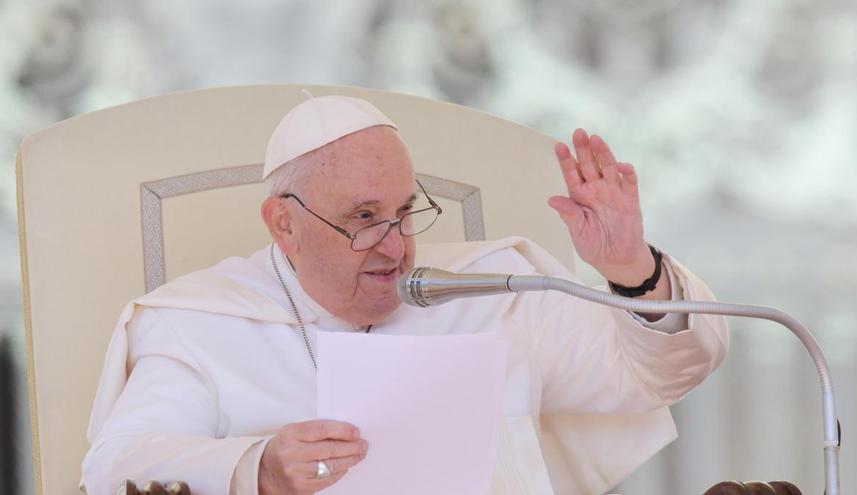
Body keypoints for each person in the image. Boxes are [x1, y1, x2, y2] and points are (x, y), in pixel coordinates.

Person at [81, 95, 728, 495]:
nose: (396, 246)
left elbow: (658, 376)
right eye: (363, 218)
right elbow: (117, 466)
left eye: (405, 211)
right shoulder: (204, 321)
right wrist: (260, 470)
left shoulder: (492, 293)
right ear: (284, 225)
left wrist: (631, 269)